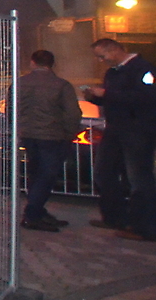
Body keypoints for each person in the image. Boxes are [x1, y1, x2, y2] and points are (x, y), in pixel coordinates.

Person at [85, 38, 156, 242]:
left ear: (115, 50)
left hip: (137, 131)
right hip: (115, 130)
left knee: (139, 178)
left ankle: (143, 227)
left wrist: (107, 94)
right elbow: (114, 99)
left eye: (102, 56)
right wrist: (95, 97)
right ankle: (115, 217)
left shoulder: (143, 69)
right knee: (104, 172)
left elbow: (147, 97)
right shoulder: (113, 72)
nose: (101, 61)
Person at [16, 50, 82, 232]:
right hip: (52, 136)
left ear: (32, 62)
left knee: (35, 174)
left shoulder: (20, 83)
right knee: (46, 176)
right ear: (52, 64)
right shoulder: (61, 85)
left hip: (27, 135)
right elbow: (73, 113)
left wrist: (17, 129)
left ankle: (37, 211)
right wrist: (70, 134)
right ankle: (33, 215)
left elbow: (11, 109)